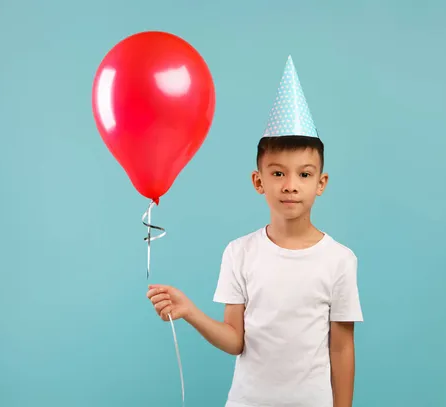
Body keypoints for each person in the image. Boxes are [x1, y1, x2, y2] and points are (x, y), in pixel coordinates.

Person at [147, 56, 363, 407]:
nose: (291, 185)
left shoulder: (339, 260)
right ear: (258, 181)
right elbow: (236, 341)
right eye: (278, 173)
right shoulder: (240, 252)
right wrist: (190, 311)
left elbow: (341, 347)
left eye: (304, 174)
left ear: (321, 183)